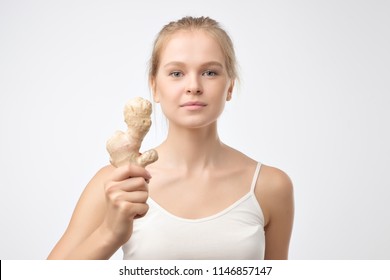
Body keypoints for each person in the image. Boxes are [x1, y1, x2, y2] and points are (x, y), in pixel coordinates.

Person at [47, 16, 294, 260]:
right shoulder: (117, 183)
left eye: (209, 72)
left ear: (229, 86)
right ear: (154, 86)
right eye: (176, 73)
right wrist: (109, 233)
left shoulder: (270, 187)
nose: (193, 86)